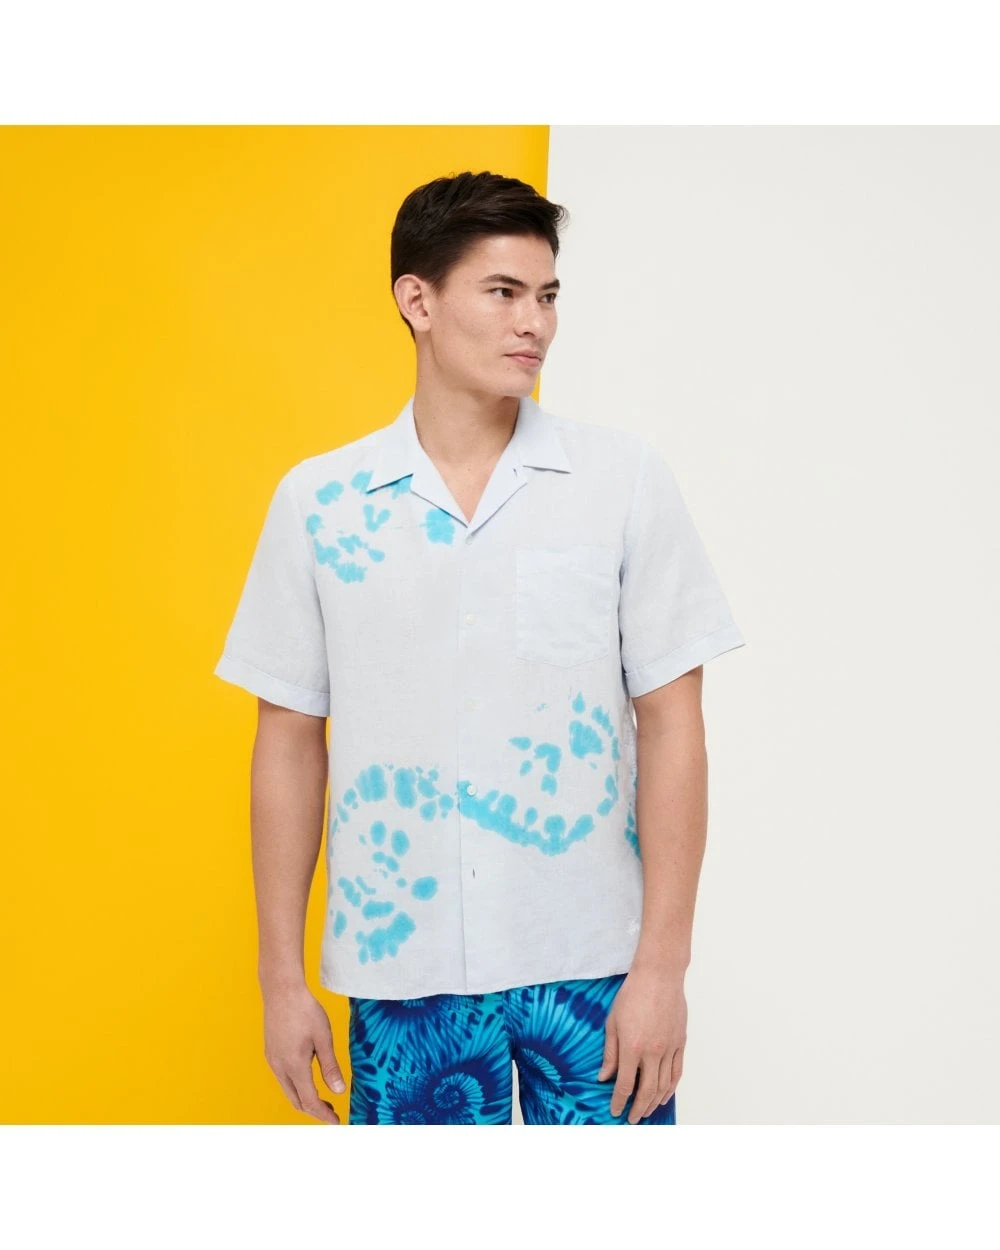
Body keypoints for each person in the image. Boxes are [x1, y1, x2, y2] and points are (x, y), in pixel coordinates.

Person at [214, 170, 746, 1125]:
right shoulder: (320, 503)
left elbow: (674, 725)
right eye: (503, 293)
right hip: (402, 967)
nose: (533, 324)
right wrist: (280, 980)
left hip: (593, 960)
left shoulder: (621, 482)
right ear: (416, 301)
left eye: (547, 296)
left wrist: (664, 969)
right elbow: (288, 741)